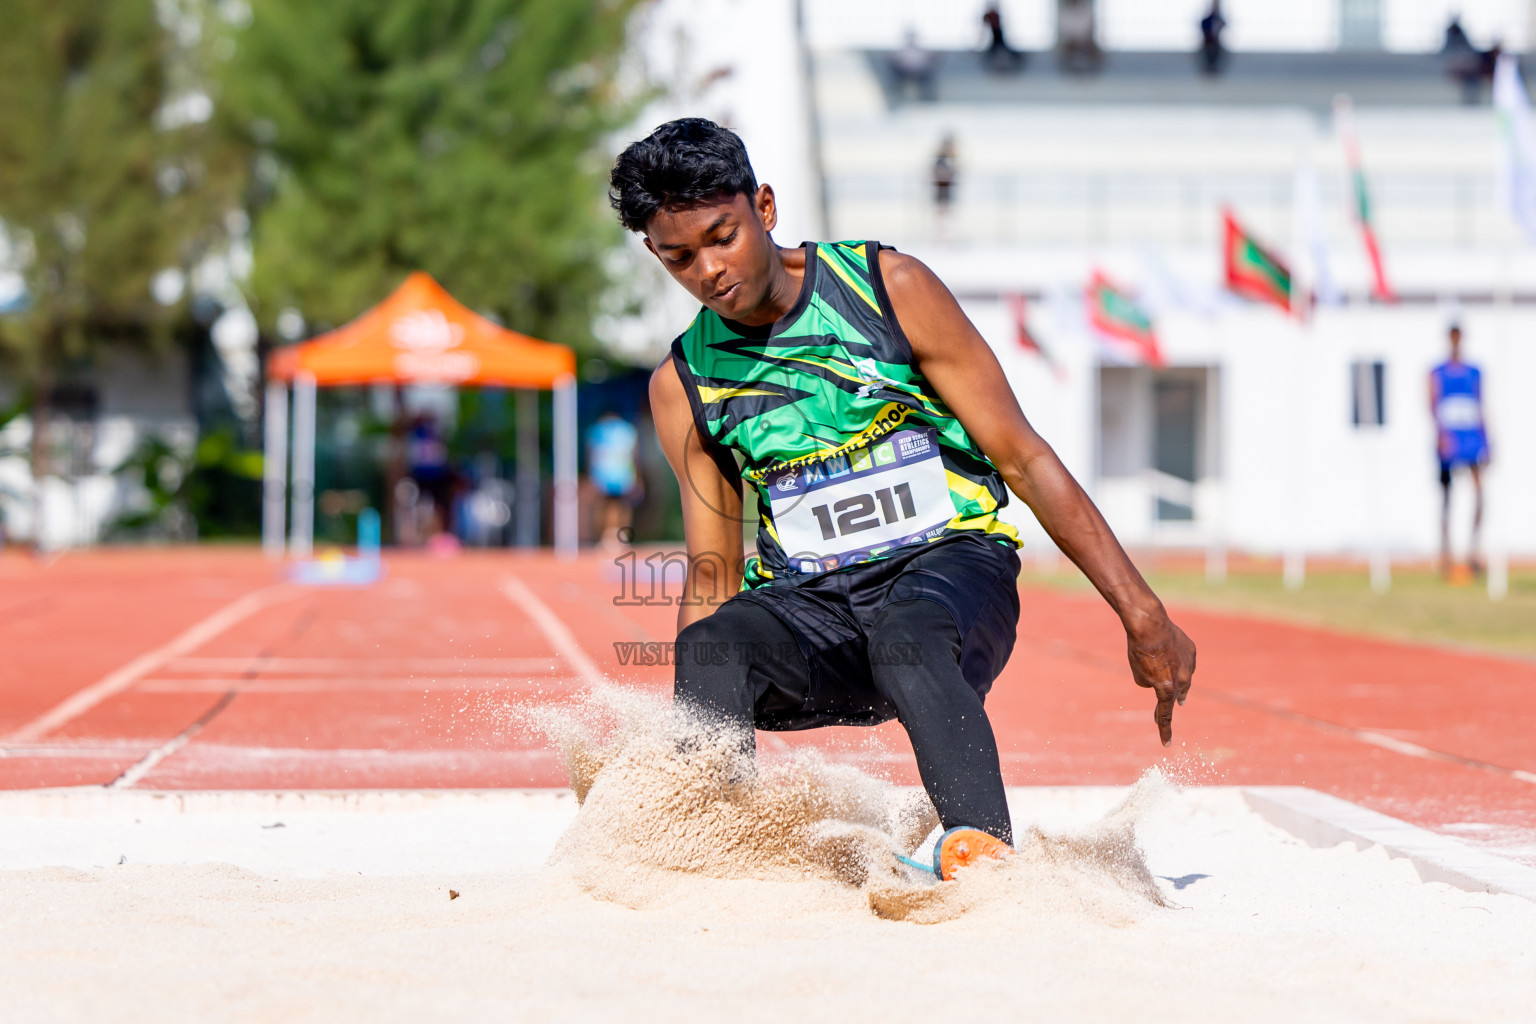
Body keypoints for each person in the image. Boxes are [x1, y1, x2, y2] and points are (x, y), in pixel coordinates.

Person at [609, 118, 1195, 880]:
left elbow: (1021, 454)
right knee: (710, 646)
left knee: (907, 640)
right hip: (816, 611)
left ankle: (984, 861)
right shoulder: (683, 385)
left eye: (722, 236)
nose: (708, 270)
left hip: (951, 573)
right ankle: (715, 858)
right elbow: (714, 572)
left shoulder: (889, 289)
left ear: (765, 206)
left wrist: (1141, 611)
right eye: (679, 257)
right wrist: (690, 730)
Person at [1430, 325, 1490, 580]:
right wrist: (1440, 434)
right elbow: (1431, 403)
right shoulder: (1437, 372)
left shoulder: (1474, 372)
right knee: (1447, 498)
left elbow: (1480, 403)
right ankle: (1446, 553)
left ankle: (1473, 550)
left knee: (1479, 493)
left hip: (1471, 436)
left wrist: (1486, 439)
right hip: (1448, 436)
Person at [586, 409, 642, 550]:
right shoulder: (627, 429)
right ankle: (621, 535)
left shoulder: (597, 430)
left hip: (602, 474)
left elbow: (590, 454)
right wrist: (637, 475)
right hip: (623, 474)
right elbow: (634, 455)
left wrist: (590, 475)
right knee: (622, 506)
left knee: (603, 507)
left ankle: (605, 536)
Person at [980, 3, 1024, 74]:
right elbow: (983, 30)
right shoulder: (989, 16)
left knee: (1003, 51)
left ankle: (1019, 59)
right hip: (995, 38)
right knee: (991, 53)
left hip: (999, 37)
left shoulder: (996, 15)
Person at [1199, 2, 1227, 76]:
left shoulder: (1219, 20)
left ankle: (1214, 68)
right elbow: (1203, 26)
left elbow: (1223, 25)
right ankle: (1208, 69)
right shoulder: (1207, 20)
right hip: (1207, 41)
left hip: (1216, 42)